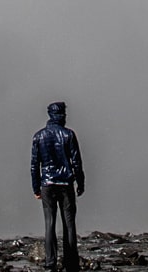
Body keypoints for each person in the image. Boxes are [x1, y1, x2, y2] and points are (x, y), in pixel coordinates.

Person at [31, 100, 84, 272]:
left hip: (47, 184)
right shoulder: (69, 135)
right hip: (66, 183)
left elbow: (34, 165)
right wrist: (80, 182)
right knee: (69, 224)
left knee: (49, 223)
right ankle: (70, 262)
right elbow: (76, 162)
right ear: (61, 115)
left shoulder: (39, 136)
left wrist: (36, 188)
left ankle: (50, 263)